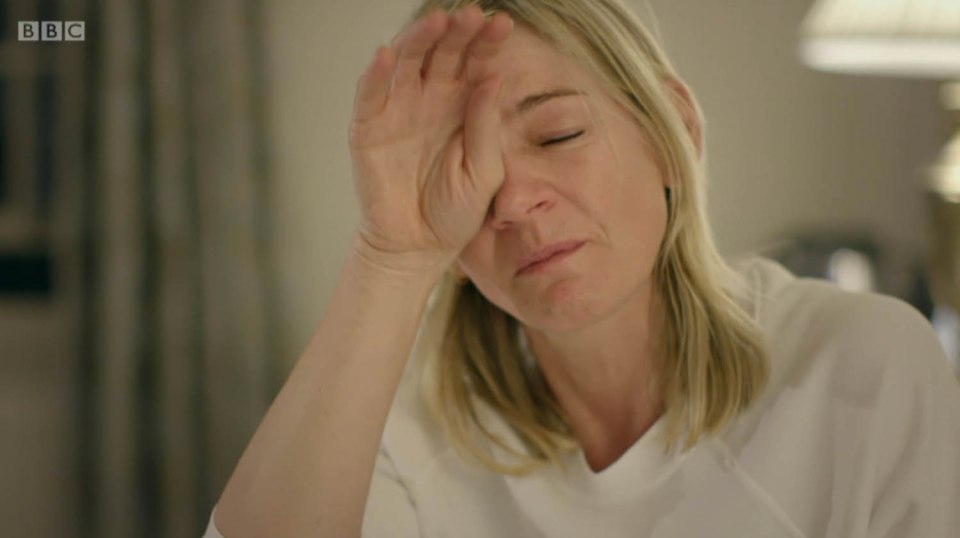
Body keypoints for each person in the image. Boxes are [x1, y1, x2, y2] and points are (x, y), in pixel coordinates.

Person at [204, 0, 960, 536]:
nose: (517, 203)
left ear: (675, 134)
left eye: (558, 134)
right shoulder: (405, 436)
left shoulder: (866, 367)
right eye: (471, 173)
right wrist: (392, 256)